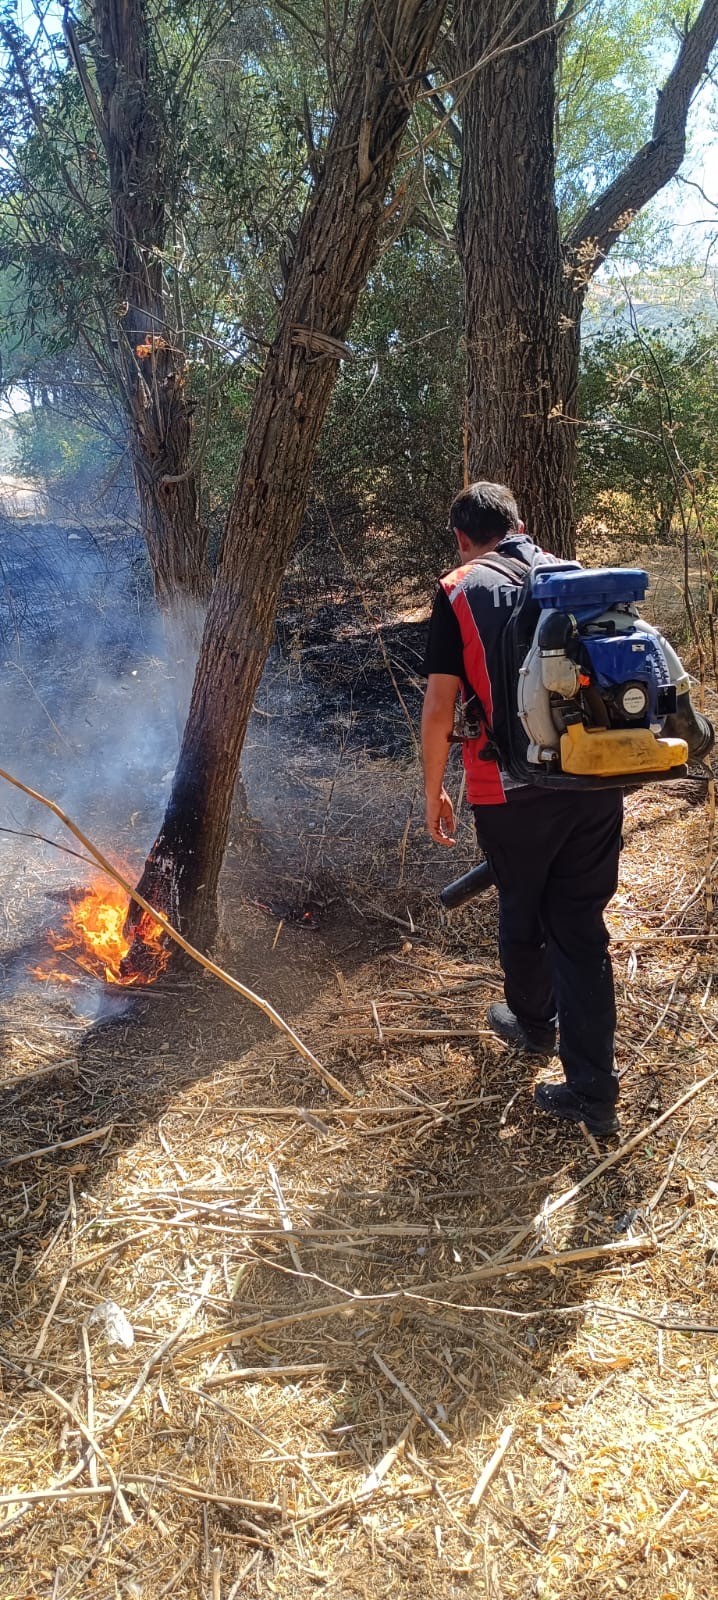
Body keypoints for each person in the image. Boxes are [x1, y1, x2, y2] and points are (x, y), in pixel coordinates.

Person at [421, 480, 623, 1136]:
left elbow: (438, 707)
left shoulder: (459, 589)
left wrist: (434, 790)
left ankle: (534, 1025)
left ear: (462, 536)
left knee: (522, 908)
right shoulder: (576, 577)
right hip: (594, 778)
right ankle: (592, 1088)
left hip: (508, 791)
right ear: (521, 523)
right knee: (581, 928)